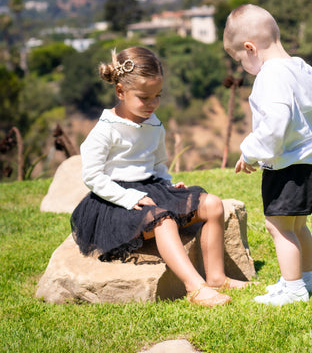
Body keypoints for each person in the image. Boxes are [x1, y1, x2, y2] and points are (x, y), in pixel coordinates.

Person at [71, 46, 249, 307]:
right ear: (120, 91)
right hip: (115, 199)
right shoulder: (105, 130)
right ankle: (195, 288)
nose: (152, 104)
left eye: (157, 96)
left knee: (212, 204)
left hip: (151, 188)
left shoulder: (154, 124)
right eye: (144, 97)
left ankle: (216, 277)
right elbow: (93, 177)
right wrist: (128, 197)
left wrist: (167, 183)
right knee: (163, 221)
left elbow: (157, 164)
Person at [223, 4, 312, 306]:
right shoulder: (302, 67)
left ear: (250, 48)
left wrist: (250, 152)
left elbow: (274, 126)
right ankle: (305, 279)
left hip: (287, 166)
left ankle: (293, 287)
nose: (244, 67)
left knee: (278, 227)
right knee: (298, 225)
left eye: (240, 60)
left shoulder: (270, 76)